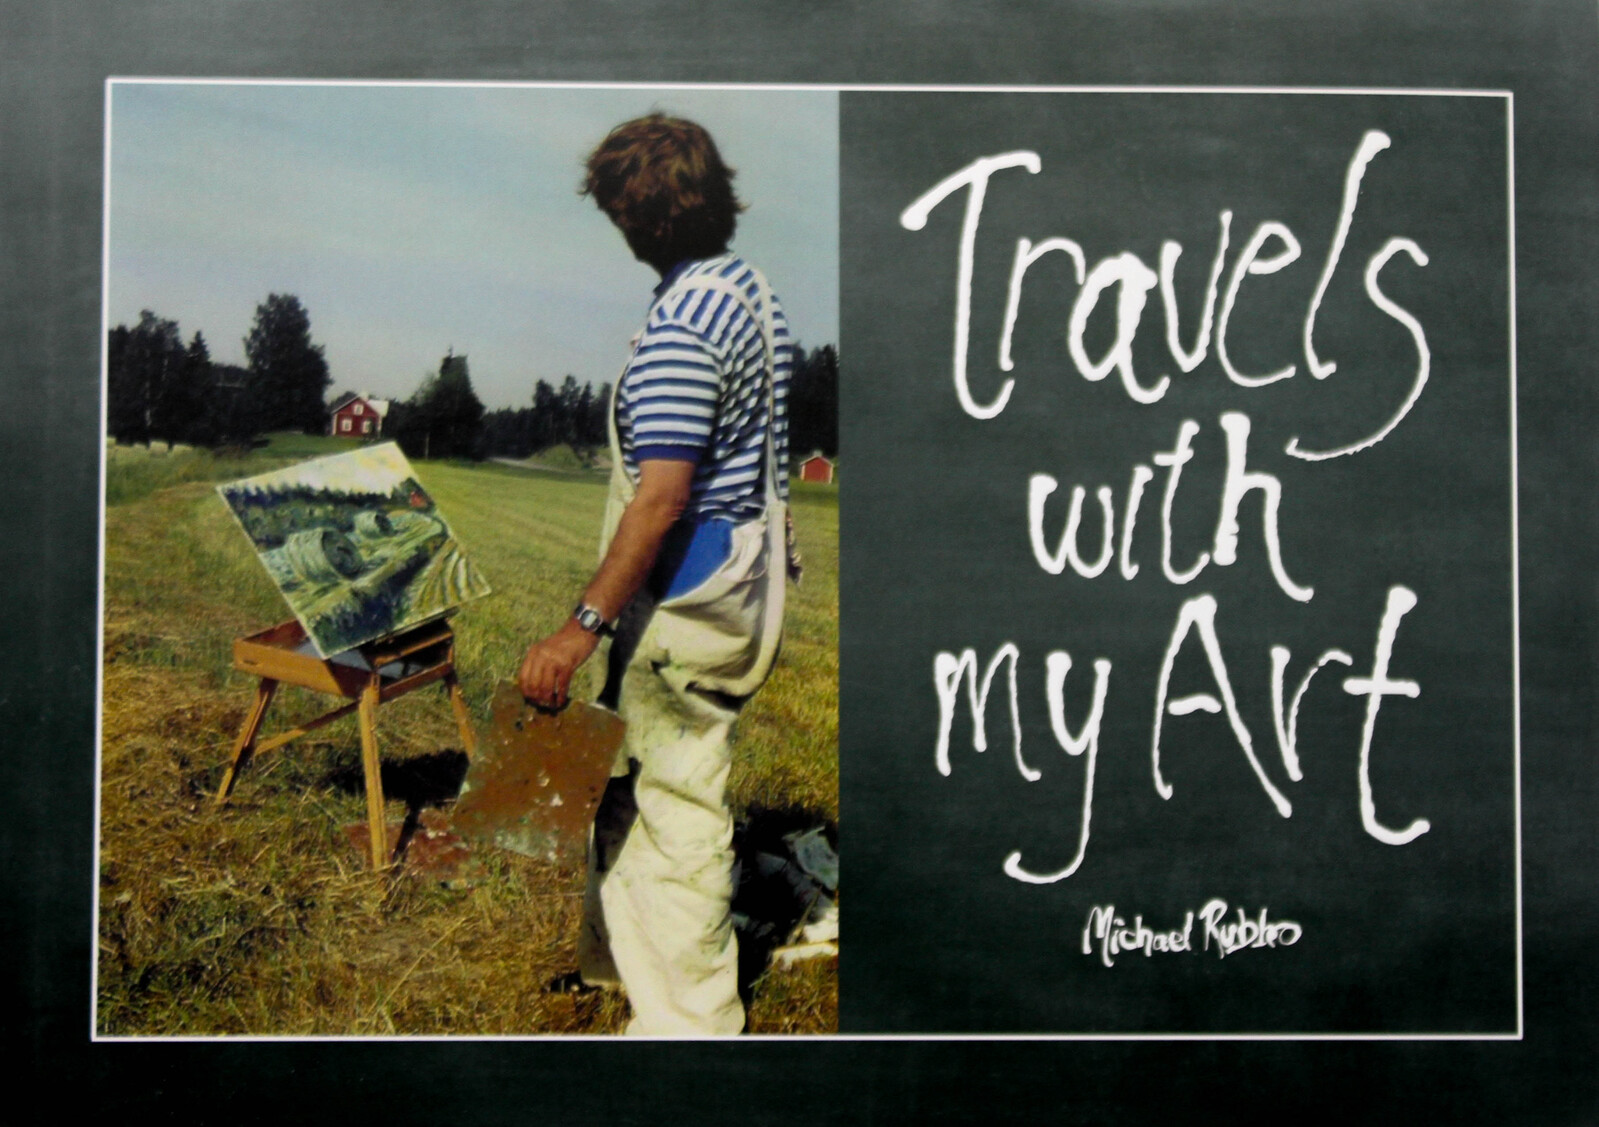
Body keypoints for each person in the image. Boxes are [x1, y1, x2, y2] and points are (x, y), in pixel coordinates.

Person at [517, 113, 797, 1036]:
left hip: (688, 592)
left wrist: (579, 628)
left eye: (617, 212)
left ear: (636, 218)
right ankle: (621, 966)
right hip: (739, 575)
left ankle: (689, 1025)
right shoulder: (746, 290)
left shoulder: (682, 323)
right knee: (633, 777)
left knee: (673, 799)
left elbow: (662, 497)